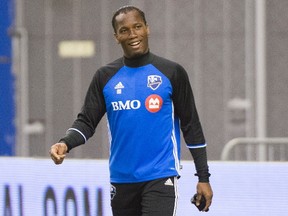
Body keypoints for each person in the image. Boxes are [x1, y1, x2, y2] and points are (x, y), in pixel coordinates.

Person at [50, 5, 213, 216]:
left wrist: (203, 177)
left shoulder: (172, 73)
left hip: (160, 176)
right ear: (116, 36)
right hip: (121, 180)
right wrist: (65, 142)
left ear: (147, 29)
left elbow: (192, 126)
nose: (132, 34)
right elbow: (86, 122)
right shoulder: (105, 77)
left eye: (137, 27)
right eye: (124, 30)